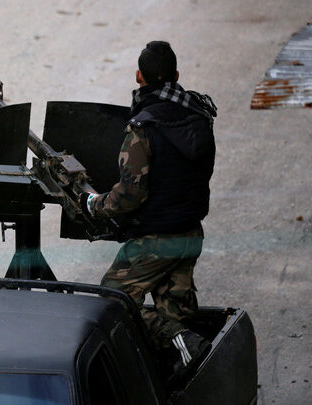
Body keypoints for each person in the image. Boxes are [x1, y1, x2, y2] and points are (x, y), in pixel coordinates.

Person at [79, 41, 217, 376]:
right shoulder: (200, 114)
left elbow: (129, 195)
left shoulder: (143, 128)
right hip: (190, 233)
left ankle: (179, 339)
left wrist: (95, 205)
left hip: (155, 240)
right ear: (176, 75)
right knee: (176, 314)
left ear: (138, 76)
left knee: (112, 303)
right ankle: (182, 364)